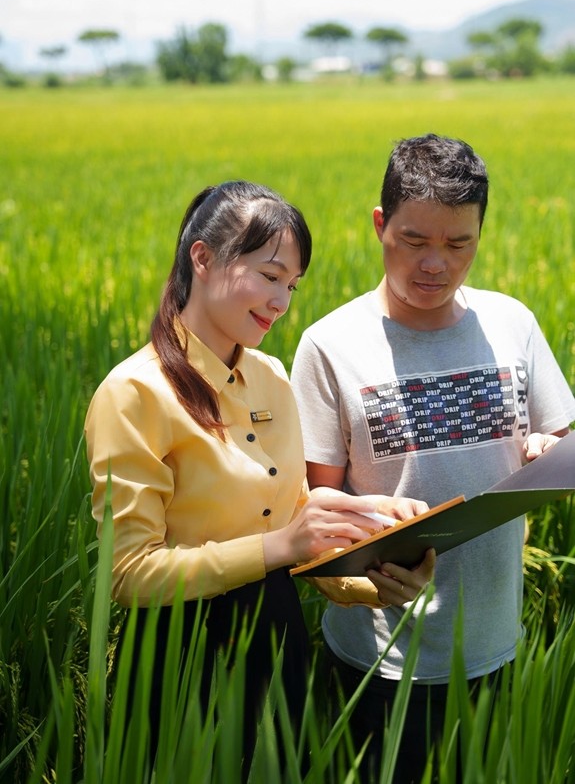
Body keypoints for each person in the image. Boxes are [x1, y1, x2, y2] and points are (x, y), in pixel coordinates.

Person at [84, 180, 434, 773]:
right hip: (181, 656)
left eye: (292, 286)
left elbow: (295, 518)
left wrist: (375, 555)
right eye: (270, 276)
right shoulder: (134, 393)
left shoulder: (271, 375)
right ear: (202, 257)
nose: (282, 302)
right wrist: (281, 545)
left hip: (276, 642)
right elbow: (129, 575)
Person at [290, 135, 575, 782]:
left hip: (495, 642)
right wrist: (364, 577)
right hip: (378, 658)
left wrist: (545, 450)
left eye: (457, 244)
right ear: (378, 224)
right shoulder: (330, 344)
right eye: (415, 240)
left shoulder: (512, 324)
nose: (435, 265)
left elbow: (559, 443)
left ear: (479, 234)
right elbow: (313, 513)